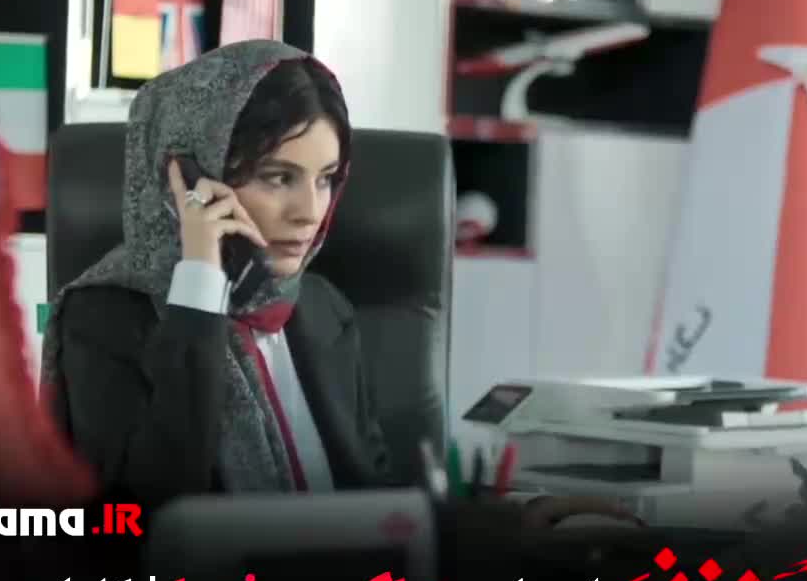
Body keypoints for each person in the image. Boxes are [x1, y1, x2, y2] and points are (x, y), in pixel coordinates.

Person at [39, 40, 638, 528]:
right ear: (190, 182)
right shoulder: (104, 318)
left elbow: (384, 508)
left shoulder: (319, 309)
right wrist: (199, 286)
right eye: (279, 177)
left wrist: (515, 521)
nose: (310, 212)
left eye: (325, 179)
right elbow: (150, 517)